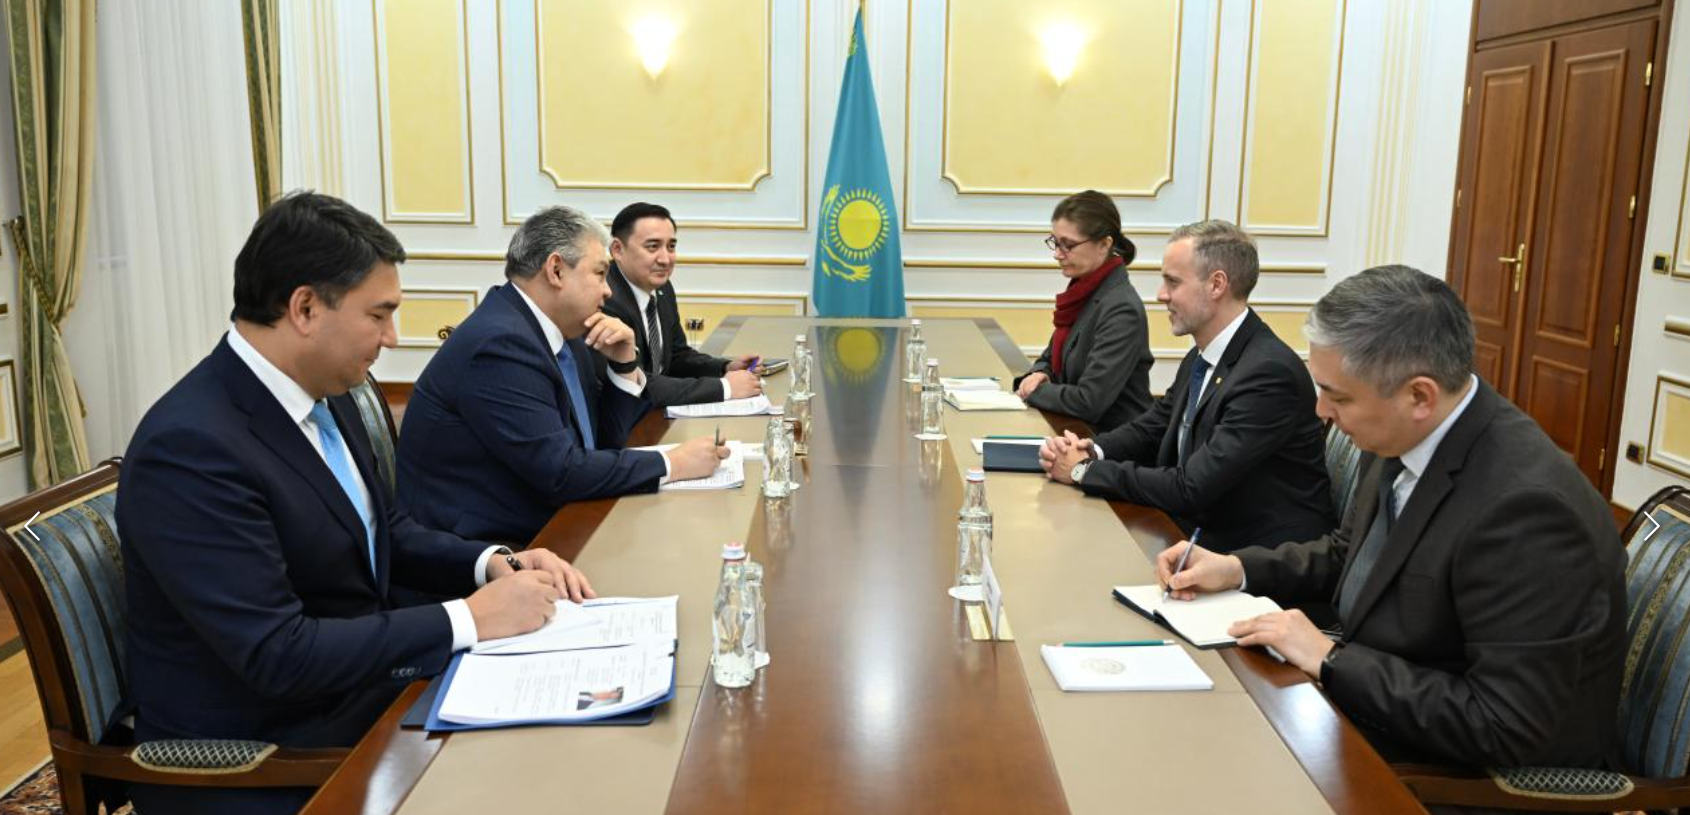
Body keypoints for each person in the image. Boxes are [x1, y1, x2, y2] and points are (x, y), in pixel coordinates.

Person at [119, 192, 594, 815]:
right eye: (379, 315)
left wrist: (492, 563)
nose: (392, 338)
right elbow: (277, 654)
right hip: (268, 754)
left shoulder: (327, 393)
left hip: (356, 692)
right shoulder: (191, 447)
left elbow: (383, 528)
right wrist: (468, 620)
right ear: (305, 308)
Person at [1158, 265, 1625, 773]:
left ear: (1419, 396)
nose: (1320, 411)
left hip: (1456, 777)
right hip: (1378, 707)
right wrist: (1236, 569)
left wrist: (1331, 660)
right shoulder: (1405, 431)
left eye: (1338, 396)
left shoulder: (1526, 512)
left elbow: (1502, 724)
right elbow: (1353, 554)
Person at [396, 205, 726, 543]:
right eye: (600, 274)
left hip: (549, 517)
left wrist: (624, 365)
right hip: (490, 546)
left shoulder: (563, 332)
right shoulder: (501, 344)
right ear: (556, 270)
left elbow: (602, 442)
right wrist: (671, 463)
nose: (608, 291)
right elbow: (561, 473)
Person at [1040, 219, 1332, 551]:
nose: (1161, 295)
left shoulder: (1267, 374)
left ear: (1216, 284)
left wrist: (1084, 471)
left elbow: (1192, 487)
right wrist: (1091, 450)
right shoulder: (1202, 355)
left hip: (1255, 559)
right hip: (1197, 534)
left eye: (1173, 282)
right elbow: (1153, 427)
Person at [1012, 190, 1152, 432]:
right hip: (1075, 430)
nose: (1057, 254)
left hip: (1112, 443)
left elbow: (1090, 401)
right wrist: (1039, 374)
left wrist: (1035, 391)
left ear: (1104, 245)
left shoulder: (1121, 309)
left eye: (1068, 245)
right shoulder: (1084, 292)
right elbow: (1050, 359)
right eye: (1055, 242)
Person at [602, 202, 763, 407]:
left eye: (671, 246)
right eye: (652, 247)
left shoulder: (662, 288)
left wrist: (724, 368)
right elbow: (637, 383)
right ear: (617, 249)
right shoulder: (606, 299)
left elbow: (677, 356)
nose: (665, 259)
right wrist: (725, 387)